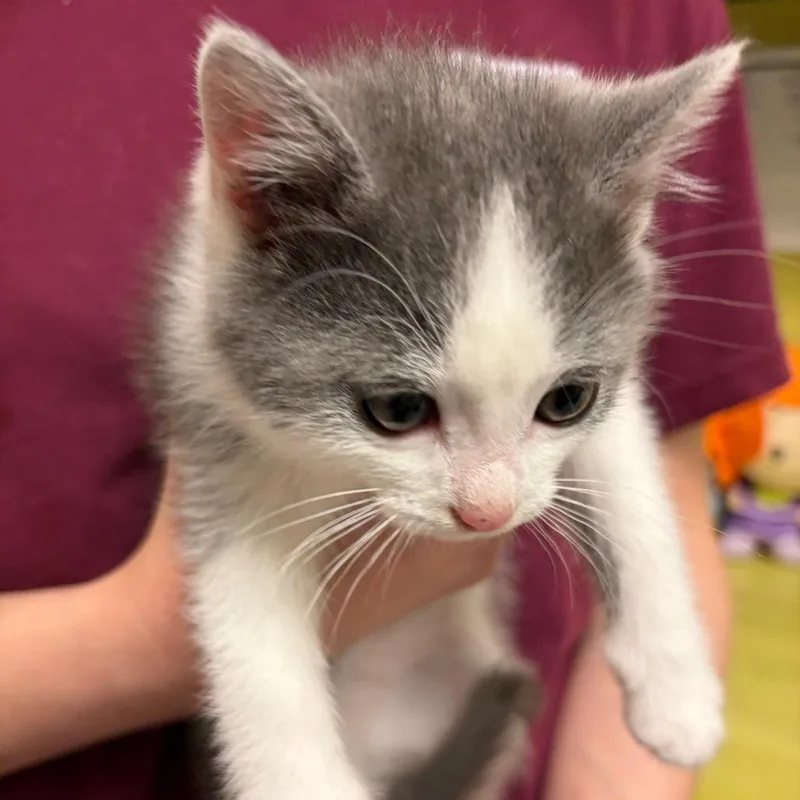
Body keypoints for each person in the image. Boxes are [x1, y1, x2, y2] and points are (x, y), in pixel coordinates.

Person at [0, 0, 788, 798]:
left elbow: (636, 437)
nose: (493, 507)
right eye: (401, 408)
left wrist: (660, 640)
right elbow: (247, 571)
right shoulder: (265, 254)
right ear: (258, 213)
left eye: (561, 402)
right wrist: (144, 641)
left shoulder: (636, 23)